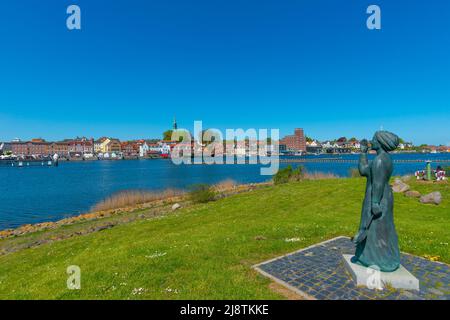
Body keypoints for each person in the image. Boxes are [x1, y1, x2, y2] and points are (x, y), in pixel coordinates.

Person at [351, 131, 401, 272]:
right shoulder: (382, 158)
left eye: (374, 139)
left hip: (378, 197)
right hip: (379, 196)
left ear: (380, 142)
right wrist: (363, 153)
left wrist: (374, 203)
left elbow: (378, 183)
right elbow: (364, 171)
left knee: (378, 229)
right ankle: (368, 257)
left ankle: (383, 260)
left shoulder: (380, 160)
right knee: (376, 229)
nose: (371, 141)